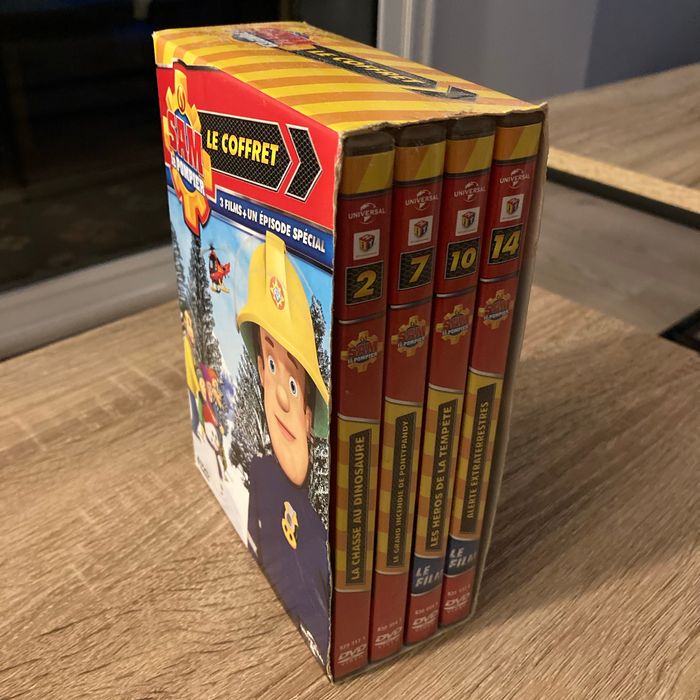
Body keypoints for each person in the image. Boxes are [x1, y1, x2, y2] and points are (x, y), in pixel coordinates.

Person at [236, 232, 330, 662]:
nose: (281, 397)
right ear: (259, 370)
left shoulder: (322, 533)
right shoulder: (260, 477)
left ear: (309, 414)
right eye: (272, 366)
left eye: (294, 385)